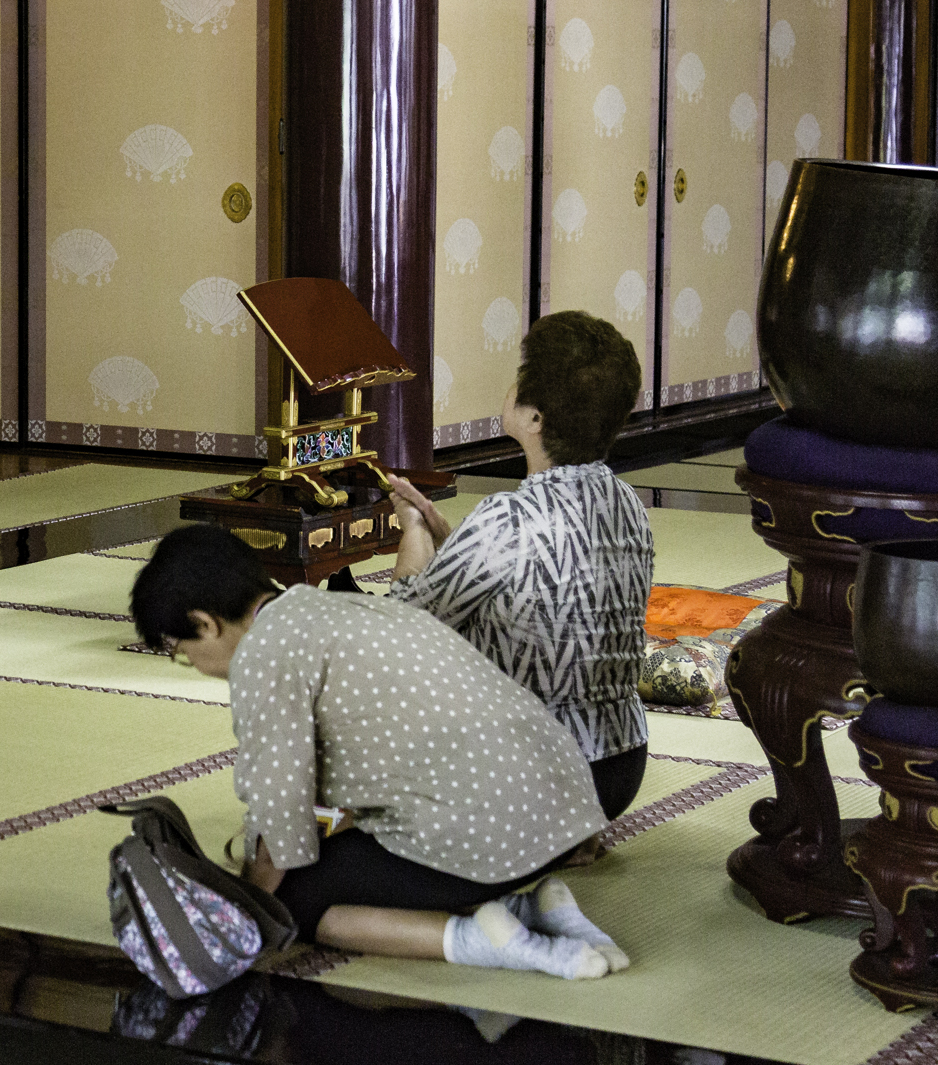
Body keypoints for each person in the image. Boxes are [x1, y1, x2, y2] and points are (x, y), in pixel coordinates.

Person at [129, 524, 630, 977]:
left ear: (205, 623)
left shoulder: (264, 653)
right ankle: (538, 912)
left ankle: (480, 941)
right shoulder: (335, 606)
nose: (193, 664)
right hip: (567, 815)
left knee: (298, 898)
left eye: (183, 653)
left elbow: (280, 809)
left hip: (496, 836)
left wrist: (249, 908)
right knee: (340, 852)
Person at [386, 310, 655, 821]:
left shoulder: (506, 518)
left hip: (539, 775)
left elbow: (405, 622)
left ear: (535, 419)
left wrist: (414, 530)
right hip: (622, 769)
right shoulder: (628, 502)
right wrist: (453, 543)